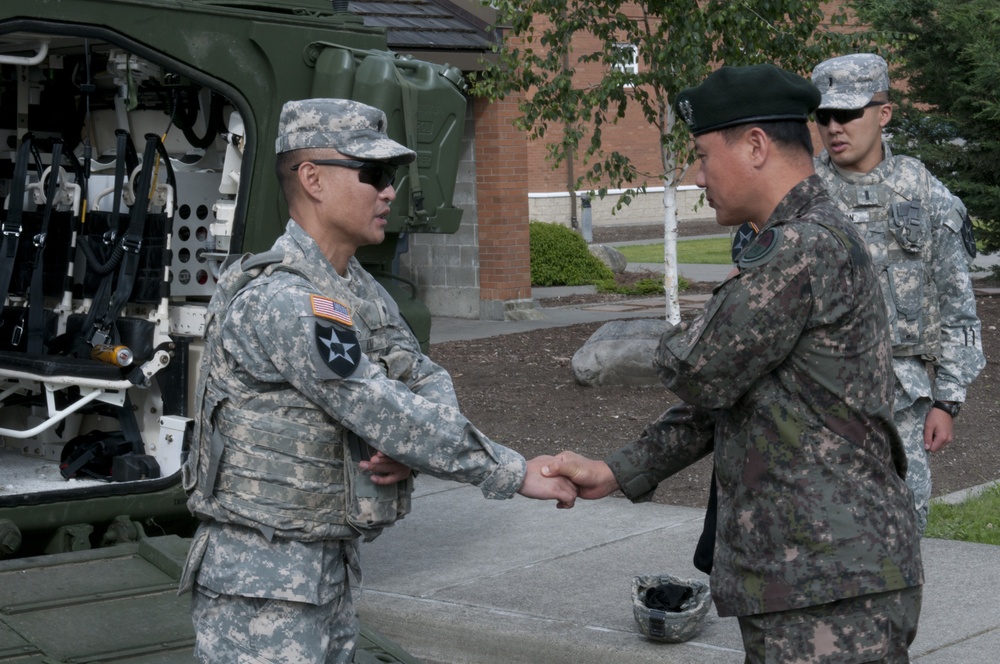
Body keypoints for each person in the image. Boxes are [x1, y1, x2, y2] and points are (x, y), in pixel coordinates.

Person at [543, 64, 923, 661]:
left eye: (701, 155)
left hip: (828, 581)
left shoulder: (801, 247)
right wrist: (618, 471)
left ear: (754, 146)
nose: (697, 177)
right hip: (813, 574)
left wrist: (613, 344)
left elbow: (700, 365)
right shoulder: (797, 239)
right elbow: (724, 395)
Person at [177, 98, 577, 664]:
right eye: (374, 174)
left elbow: (423, 377)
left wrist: (411, 448)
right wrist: (509, 471)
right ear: (312, 178)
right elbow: (382, 407)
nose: (389, 191)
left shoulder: (355, 288)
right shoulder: (282, 301)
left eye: (392, 176)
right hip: (260, 587)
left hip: (325, 574)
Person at [811, 53, 986, 534]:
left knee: (902, 530)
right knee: (822, 531)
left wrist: (947, 401)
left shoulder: (926, 195)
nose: (833, 127)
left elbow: (958, 309)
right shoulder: (799, 194)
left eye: (847, 113)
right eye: (823, 116)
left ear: (883, 113)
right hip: (815, 399)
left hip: (902, 404)